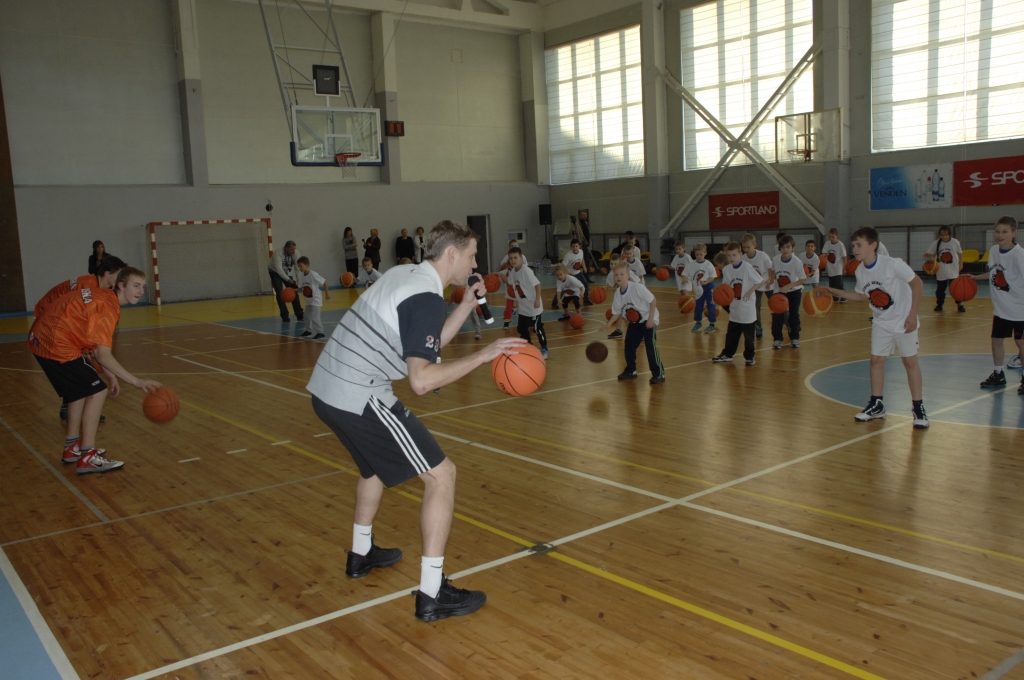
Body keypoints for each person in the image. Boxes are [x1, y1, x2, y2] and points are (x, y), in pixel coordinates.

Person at [306, 220, 526, 622]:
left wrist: (463, 305)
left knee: (373, 468)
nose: (477, 263)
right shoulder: (425, 296)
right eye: (473, 255)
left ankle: (361, 553)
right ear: (452, 255)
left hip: (327, 389)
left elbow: (426, 342)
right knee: (442, 475)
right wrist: (482, 356)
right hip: (357, 392)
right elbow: (421, 380)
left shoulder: (405, 275)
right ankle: (431, 593)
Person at [27, 267, 162, 473]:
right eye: (135, 286)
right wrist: (136, 381)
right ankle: (88, 456)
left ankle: (73, 447)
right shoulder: (108, 307)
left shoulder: (105, 297)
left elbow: (94, 349)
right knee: (96, 391)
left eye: (143, 287)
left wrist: (110, 374)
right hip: (54, 340)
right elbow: (103, 355)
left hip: (45, 336)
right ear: (121, 285)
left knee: (81, 390)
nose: (140, 291)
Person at [826, 227, 928, 428]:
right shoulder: (860, 270)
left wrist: (913, 315)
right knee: (876, 360)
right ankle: (877, 404)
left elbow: (918, 284)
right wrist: (832, 291)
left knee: (910, 362)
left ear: (873, 246)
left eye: (859, 245)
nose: (855, 248)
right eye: (853, 245)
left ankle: (918, 407)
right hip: (881, 321)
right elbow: (862, 296)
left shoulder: (893, 264)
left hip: (903, 321)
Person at [35, 255, 127, 421]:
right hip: (49, 323)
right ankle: (73, 406)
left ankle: (80, 408)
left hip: (56, 322)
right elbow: (72, 316)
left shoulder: (95, 285)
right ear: (107, 274)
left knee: (89, 367)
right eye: (119, 275)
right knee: (81, 367)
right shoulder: (86, 286)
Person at [975, 216, 1024, 393]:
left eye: (1004, 231)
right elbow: (994, 273)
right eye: (997, 231)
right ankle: (998, 373)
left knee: (1021, 343)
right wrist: (975, 277)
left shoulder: (1019, 256)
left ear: (1014, 233)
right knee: (996, 341)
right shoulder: (994, 250)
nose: (999, 235)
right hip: (1001, 309)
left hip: (1020, 310)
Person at [606, 262, 664, 384]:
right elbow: (617, 312)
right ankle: (631, 371)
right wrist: (609, 323)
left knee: (650, 346)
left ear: (628, 275)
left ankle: (659, 373)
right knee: (629, 347)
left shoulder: (637, 287)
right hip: (634, 322)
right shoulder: (618, 293)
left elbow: (653, 301)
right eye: (616, 275)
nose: (618, 277)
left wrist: (651, 319)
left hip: (648, 319)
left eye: (621, 274)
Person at [713, 242, 763, 366]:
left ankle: (750, 357)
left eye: (734, 255)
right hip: (735, 308)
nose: (731, 258)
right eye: (729, 255)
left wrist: (750, 292)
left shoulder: (746, 267)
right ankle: (727, 354)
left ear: (740, 254)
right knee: (731, 335)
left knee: (749, 338)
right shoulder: (727, 269)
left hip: (747, 310)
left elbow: (759, 281)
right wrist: (719, 298)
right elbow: (725, 288)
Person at [506, 247, 548, 358]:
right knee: (521, 328)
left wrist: (537, 299)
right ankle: (530, 347)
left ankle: (544, 348)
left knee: (537, 328)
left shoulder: (526, 271)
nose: (513, 260)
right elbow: (510, 282)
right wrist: (499, 276)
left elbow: (537, 285)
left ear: (521, 258)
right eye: (511, 258)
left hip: (533, 306)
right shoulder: (513, 272)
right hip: (524, 307)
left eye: (515, 258)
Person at [770, 235, 808, 349]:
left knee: (793, 315)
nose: (785, 249)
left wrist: (789, 286)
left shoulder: (796, 262)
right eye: (782, 247)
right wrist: (770, 280)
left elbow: (803, 280)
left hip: (794, 291)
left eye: (788, 247)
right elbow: (772, 270)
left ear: (793, 248)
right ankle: (777, 339)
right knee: (777, 315)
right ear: (779, 248)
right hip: (779, 291)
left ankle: (795, 338)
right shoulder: (776, 259)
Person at [741, 233, 773, 340]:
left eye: (748, 247)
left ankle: (787, 322)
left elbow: (771, 268)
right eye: (744, 247)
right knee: (756, 307)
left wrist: (770, 279)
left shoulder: (762, 256)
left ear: (755, 245)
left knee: (777, 304)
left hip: (768, 284)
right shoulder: (743, 258)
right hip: (756, 286)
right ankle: (758, 327)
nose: (746, 249)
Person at [925, 226, 965, 313]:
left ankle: (959, 304)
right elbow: (929, 254)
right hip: (941, 271)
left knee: (955, 289)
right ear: (939, 235)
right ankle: (939, 305)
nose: (944, 237)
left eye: (946, 235)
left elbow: (960, 254)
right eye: (942, 235)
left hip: (953, 270)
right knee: (940, 290)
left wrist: (961, 264)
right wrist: (928, 257)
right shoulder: (936, 243)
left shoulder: (955, 242)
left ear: (949, 234)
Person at [683, 244, 717, 334]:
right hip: (698, 289)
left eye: (700, 254)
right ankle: (698, 323)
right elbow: (684, 273)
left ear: (705, 253)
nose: (698, 256)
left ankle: (712, 324)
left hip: (709, 287)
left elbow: (713, 276)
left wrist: (706, 282)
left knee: (711, 306)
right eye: (697, 254)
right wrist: (684, 278)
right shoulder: (691, 265)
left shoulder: (708, 264)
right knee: (698, 307)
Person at [605, 252, 639, 339]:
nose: (613, 266)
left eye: (615, 264)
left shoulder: (627, 272)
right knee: (618, 310)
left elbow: (638, 282)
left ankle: (640, 331)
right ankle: (618, 331)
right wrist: (601, 289)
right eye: (611, 264)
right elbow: (610, 285)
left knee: (634, 313)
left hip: (633, 293)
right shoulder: (611, 274)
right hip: (621, 294)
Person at [270, 240, 304, 323]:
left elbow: (297, 268)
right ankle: (284, 315)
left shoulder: (296, 254)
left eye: (294, 249)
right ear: (286, 248)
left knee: (293, 290)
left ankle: (299, 313)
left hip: (287, 271)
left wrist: (298, 281)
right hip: (274, 272)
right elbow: (279, 270)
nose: (293, 251)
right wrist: (289, 280)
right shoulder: (278, 254)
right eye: (292, 249)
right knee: (279, 293)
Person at [296, 256, 329, 340]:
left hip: (316, 299)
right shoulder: (301, 276)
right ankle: (308, 331)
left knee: (315, 317)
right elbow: (300, 288)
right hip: (309, 299)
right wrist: (292, 290)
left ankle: (320, 332)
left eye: (301, 266)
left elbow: (324, 282)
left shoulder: (313, 274)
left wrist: (327, 294)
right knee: (306, 316)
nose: (300, 268)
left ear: (307, 264)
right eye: (298, 266)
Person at [562, 239, 591, 304]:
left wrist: (584, 267)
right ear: (571, 247)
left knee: (585, 284)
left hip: (578, 273)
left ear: (579, 246)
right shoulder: (568, 255)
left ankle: (586, 300)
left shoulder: (581, 252)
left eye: (576, 246)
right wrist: (567, 269)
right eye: (573, 246)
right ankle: (555, 302)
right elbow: (563, 264)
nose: (575, 248)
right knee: (563, 288)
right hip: (570, 275)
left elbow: (582, 259)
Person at [822, 228, 847, 303]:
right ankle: (835, 296)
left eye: (833, 237)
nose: (831, 238)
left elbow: (844, 256)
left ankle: (844, 295)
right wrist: (822, 259)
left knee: (839, 283)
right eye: (830, 237)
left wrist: (845, 267)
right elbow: (824, 254)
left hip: (838, 267)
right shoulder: (827, 244)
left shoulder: (840, 245)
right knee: (832, 283)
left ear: (837, 236)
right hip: (830, 267)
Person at [498, 240, 518, 329]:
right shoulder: (506, 270)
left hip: (521, 291)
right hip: (510, 292)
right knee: (508, 308)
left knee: (526, 307)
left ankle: (531, 320)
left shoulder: (521, 270)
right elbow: (498, 274)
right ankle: (506, 321)